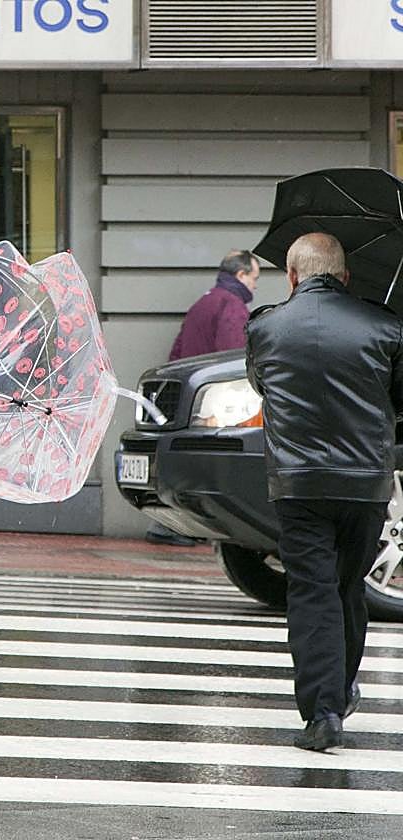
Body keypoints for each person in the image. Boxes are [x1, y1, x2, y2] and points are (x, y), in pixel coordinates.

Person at [245, 232, 403, 752]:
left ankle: (323, 711)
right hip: (365, 483)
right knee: (348, 584)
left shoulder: (265, 326)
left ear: (291, 275)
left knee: (311, 592)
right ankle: (339, 689)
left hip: (299, 482)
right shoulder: (385, 326)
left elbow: (261, 385)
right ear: (346, 275)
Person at [146, 249, 262, 547]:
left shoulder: (203, 302)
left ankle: (167, 524)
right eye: (254, 277)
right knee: (209, 467)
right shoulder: (233, 306)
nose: (255, 285)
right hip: (212, 400)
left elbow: (176, 352)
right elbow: (234, 360)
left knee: (183, 461)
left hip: (186, 397)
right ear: (240, 275)